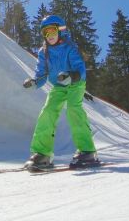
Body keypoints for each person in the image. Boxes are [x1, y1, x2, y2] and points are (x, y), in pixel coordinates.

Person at [22, 15, 99, 170]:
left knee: (73, 109)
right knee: (47, 112)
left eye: (52, 30)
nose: (49, 35)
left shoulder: (69, 47)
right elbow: (42, 73)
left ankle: (87, 151)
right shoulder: (44, 52)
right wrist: (34, 81)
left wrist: (72, 76)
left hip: (75, 84)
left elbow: (80, 69)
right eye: (45, 32)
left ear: (60, 30)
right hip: (58, 86)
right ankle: (42, 154)